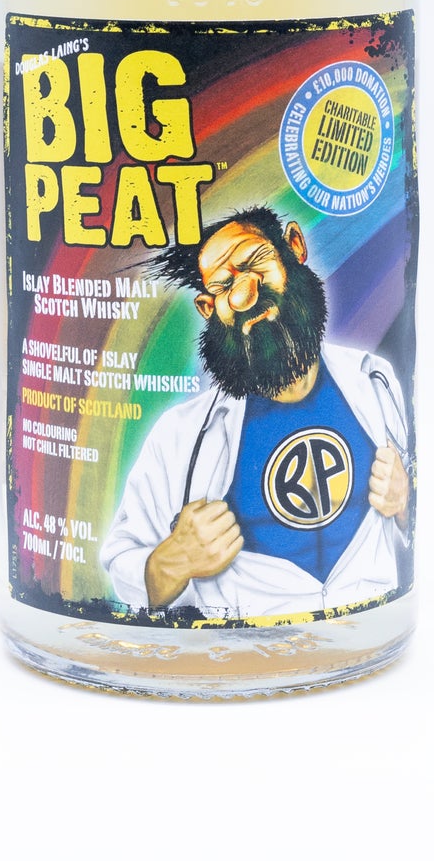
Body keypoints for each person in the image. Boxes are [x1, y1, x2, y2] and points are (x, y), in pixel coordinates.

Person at [102, 206, 411, 619]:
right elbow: (123, 569)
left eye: (254, 263)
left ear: (294, 248)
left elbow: (414, 523)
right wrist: (174, 559)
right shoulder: (179, 436)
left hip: (363, 625)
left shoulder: (375, 381)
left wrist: (404, 500)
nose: (244, 296)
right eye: (224, 285)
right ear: (208, 309)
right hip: (237, 644)